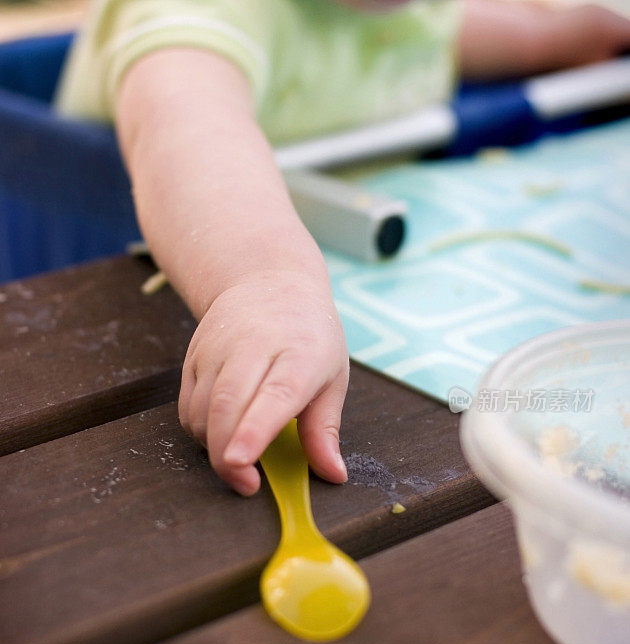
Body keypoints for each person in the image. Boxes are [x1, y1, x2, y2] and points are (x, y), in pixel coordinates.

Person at [56, 0, 630, 496]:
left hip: (354, 294)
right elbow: (189, 135)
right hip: (114, 298)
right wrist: (265, 282)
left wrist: (554, 37)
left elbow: (439, 32)